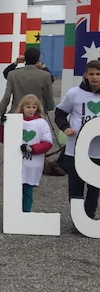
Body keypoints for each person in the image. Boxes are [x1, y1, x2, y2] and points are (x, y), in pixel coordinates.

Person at [54, 59, 100, 222]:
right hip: (75, 150)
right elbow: (59, 113)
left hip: (97, 152)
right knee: (76, 186)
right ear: (86, 75)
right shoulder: (74, 93)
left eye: (98, 74)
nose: (95, 77)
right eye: (92, 74)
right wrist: (65, 127)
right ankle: (77, 219)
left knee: (95, 187)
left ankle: (88, 217)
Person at [0, 95, 53, 212]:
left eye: (33, 107)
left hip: (32, 163)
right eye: (28, 107)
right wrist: (1, 125)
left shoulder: (41, 123)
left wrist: (32, 148)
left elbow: (47, 143)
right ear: (22, 107)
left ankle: (25, 214)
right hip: (16, 161)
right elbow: (3, 139)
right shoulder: (14, 121)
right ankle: (13, 214)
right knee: (14, 190)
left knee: (28, 191)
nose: (31, 109)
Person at [0, 47, 55, 117]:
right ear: (38, 59)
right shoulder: (45, 75)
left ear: (25, 58)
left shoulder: (13, 74)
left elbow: (7, 96)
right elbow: (48, 95)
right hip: (36, 113)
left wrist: (2, 112)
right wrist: (44, 68)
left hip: (17, 113)